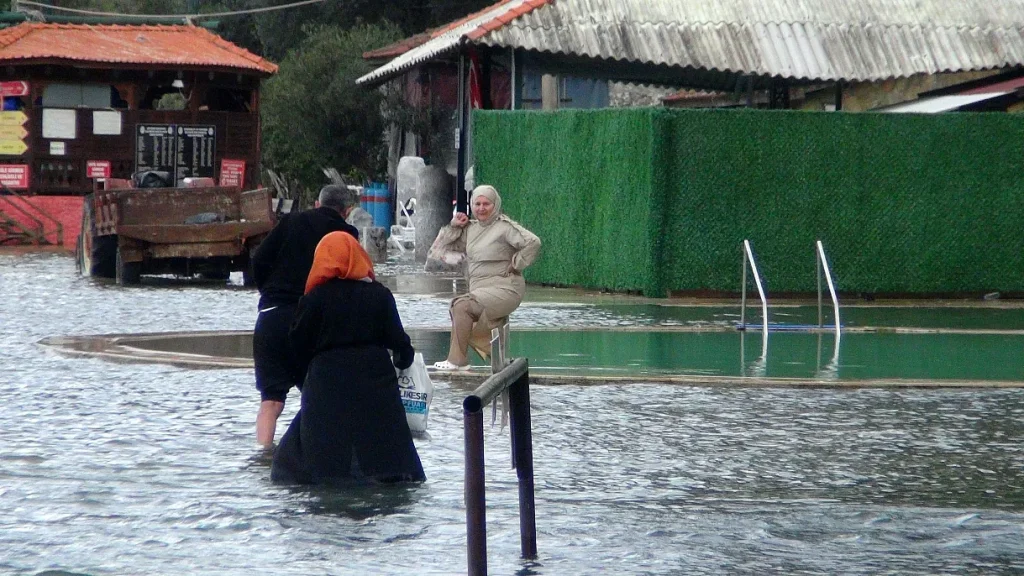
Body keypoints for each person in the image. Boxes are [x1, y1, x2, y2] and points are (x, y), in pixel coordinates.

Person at [270, 231, 425, 485]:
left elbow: (296, 344)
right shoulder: (379, 295)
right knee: (384, 447)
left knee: (323, 448)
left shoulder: (315, 298)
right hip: (375, 379)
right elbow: (400, 343)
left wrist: (307, 379)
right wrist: (402, 364)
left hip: (327, 380)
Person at [249, 185, 360, 447]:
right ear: (347, 211)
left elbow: (259, 259)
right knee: (317, 394)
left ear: (316, 202)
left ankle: (264, 454)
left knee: (271, 400)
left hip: (271, 315)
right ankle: (312, 453)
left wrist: (270, 292)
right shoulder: (346, 233)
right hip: (312, 319)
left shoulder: (291, 221)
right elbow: (349, 280)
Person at [431, 185, 541, 370]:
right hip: (481, 291)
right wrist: (453, 226)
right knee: (460, 307)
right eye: (477, 203)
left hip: (506, 288)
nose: (481, 208)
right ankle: (494, 358)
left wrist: (517, 263)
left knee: (461, 305)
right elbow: (437, 253)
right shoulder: (470, 229)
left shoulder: (504, 227)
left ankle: (457, 361)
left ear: (495, 204)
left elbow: (533, 242)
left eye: (486, 204)